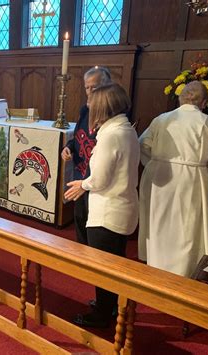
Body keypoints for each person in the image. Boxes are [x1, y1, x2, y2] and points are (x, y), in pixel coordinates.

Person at [64, 83, 140, 328]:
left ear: (102, 107)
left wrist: (82, 185)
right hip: (122, 208)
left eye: (92, 104)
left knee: (103, 267)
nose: (89, 108)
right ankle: (109, 305)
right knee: (114, 264)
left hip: (108, 212)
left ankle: (103, 315)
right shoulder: (126, 129)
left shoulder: (111, 135)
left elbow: (100, 178)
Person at [138, 81, 208, 277]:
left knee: (159, 222)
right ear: (203, 102)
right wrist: (200, 175)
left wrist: (154, 164)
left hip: (160, 176)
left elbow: (142, 144)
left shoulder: (161, 119)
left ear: (180, 98)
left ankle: (156, 262)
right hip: (191, 179)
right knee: (187, 226)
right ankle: (183, 270)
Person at [61, 66, 112, 245]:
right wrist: (68, 148)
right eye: (87, 87)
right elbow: (77, 138)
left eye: (95, 88)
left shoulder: (111, 116)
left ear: (107, 87)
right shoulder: (85, 111)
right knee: (80, 222)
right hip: (79, 177)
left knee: (96, 231)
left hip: (98, 183)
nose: (90, 92)